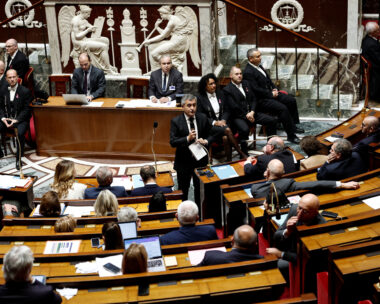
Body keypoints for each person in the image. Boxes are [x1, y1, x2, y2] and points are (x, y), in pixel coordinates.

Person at [243, 48, 303, 143]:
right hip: (261, 100)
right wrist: (271, 94)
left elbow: (269, 80)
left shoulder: (259, 66)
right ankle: (291, 136)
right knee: (282, 108)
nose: (260, 58)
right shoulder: (248, 72)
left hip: (270, 94)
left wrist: (275, 88)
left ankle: (293, 126)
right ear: (251, 59)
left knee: (291, 100)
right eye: (258, 56)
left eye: (260, 55)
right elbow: (256, 90)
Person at [266, 194, 326, 282]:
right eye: (299, 208)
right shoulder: (294, 209)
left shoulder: (321, 228)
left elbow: (310, 260)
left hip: (306, 263)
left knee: (280, 265)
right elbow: (276, 236)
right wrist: (287, 231)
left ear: (315, 213)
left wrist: (281, 254)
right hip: (291, 248)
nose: (300, 213)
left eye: (305, 211)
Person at [223, 66, 277, 155]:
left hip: (252, 113)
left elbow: (254, 99)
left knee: (272, 121)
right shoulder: (227, 90)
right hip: (238, 116)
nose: (239, 76)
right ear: (231, 76)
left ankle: (271, 146)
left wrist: (252, 111)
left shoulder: (246, 83)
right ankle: (244, 153)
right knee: (244, 129)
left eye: (240, 73)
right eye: (236, 74)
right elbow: (234, 107)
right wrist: (247, 115)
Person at [170, 94, 215, 200]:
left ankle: (199, 214)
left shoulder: (202, 118)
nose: (192, 108)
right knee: (183, 191)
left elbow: (212, 135)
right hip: (183, 162)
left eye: (194, 105)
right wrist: (187, 138)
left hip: (200, 160)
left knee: (200, 190)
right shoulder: (176, 121)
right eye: (189, 105)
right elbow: (173, 142)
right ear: (182, 107)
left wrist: (206, 141)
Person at [197, 73, 248, 160]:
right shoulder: (200, 98)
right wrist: (214, 122)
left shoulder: (220, 93)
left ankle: (229, 160)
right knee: (227, 130)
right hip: (210, 127)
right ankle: (242, 153)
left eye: (214, 83)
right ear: (205, 86)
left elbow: (227, 109)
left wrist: (223, 120)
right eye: (210, 84)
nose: (214, 86)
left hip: (223, 123)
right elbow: (201, 116)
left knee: (225, 137)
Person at [251, 159, 360, 198]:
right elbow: (316, 184)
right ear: (283, 173)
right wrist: (343, 184)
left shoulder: (255, 189)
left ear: (267, 172)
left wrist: (267, 179)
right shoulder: (290, 184)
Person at [70, 5, 117, 74]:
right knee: (103, 47)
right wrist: (87, 31)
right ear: (84, 13)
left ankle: (106, 64)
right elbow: (77, 36)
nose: (89, 16)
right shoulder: (75, 21)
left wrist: (97, 24)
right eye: (88, 14)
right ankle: (107, 70)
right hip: (79, 43)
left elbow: (91, 27)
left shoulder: (84, 20)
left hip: (84, 40)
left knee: (106, 40)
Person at [0, 69, 32, 167]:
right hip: (7, 118)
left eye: (14, 77)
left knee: (20, 132)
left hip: (20, 119)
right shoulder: (2, 90)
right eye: (10, 77)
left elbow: (27, 110)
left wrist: (16, 120)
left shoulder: (25, 91)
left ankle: (19, 158)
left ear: (17, 77)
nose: (12, 79)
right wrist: (3, 118)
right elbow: (0, 107)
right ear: (6, 79)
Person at [361, 22, 380, 101]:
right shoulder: (371, 44)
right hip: (375, 70)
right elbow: (379, 59)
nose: (379, 31)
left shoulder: (368, 39)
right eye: (378, 30)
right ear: (372, 33)